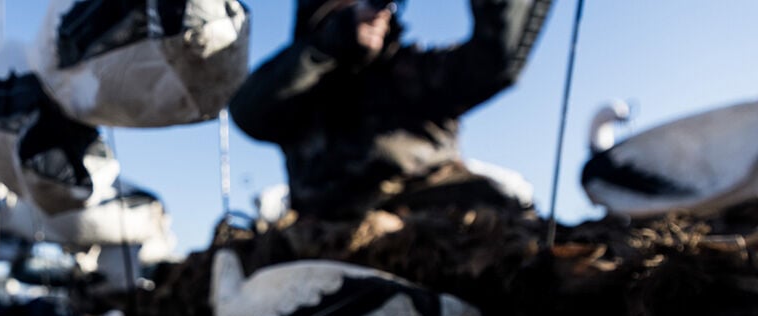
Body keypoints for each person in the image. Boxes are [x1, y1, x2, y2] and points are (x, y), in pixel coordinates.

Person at [230, 0, 553, 220]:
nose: (378, 16)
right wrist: (331, 43)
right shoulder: (299, 91)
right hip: (328, 233)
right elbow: (249, 111)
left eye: (383, 5)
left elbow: (496, 63)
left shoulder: (412, 73)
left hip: (436, 214)